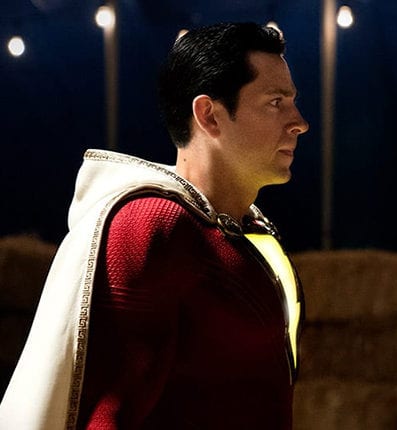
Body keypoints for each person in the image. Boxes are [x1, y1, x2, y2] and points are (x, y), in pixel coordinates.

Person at [0, 22, 309, 429]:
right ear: (209, 115)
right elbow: (104, 415)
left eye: (292, 102)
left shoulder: (244, 229)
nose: (299, 122)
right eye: (275, 102)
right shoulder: (151, 226)